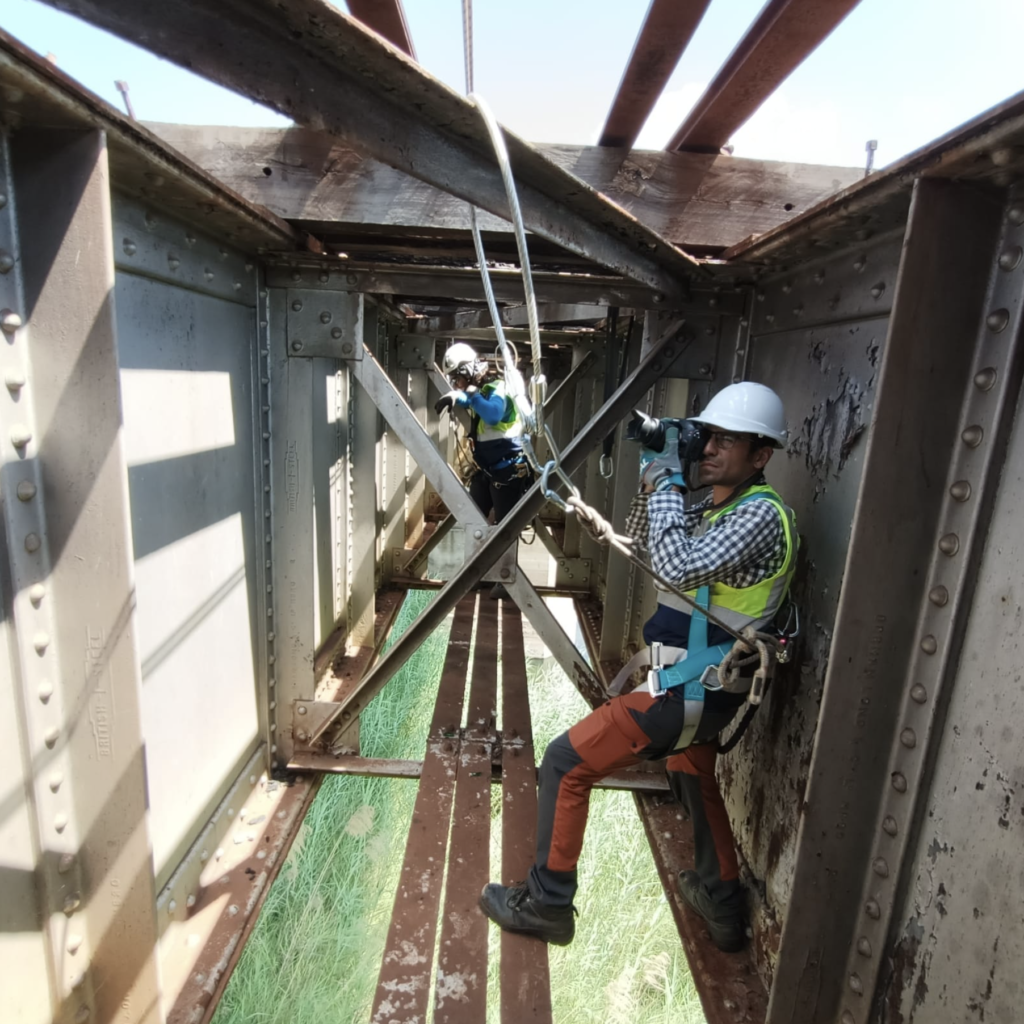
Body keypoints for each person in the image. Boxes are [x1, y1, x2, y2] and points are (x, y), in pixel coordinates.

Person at [478, 381, 797, 952]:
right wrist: (658, 474)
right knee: (692, 773)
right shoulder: (718, 506)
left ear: (762, 455)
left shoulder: (762, 519)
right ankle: (721, 903)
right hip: (699, 683)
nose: (710, 449)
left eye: (729, 441)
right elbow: (651, 544)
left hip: (692, 686)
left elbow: (677, 566)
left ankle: (548, 902)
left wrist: (670, 476)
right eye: (709, 437)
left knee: (566, 761)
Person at [434, 342, 533, 595]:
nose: (456, 384)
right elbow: (474, 403)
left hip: (507, 473)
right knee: (473, 519)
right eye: (454, 380)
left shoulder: (499, 388)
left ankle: (505, 581)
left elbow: (492, 415)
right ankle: (475, 573)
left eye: (458, 379)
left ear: (469, 371)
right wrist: (457, 397)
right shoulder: (486, 392)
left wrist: (469, 395)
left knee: (503, 528)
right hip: (488, 472)